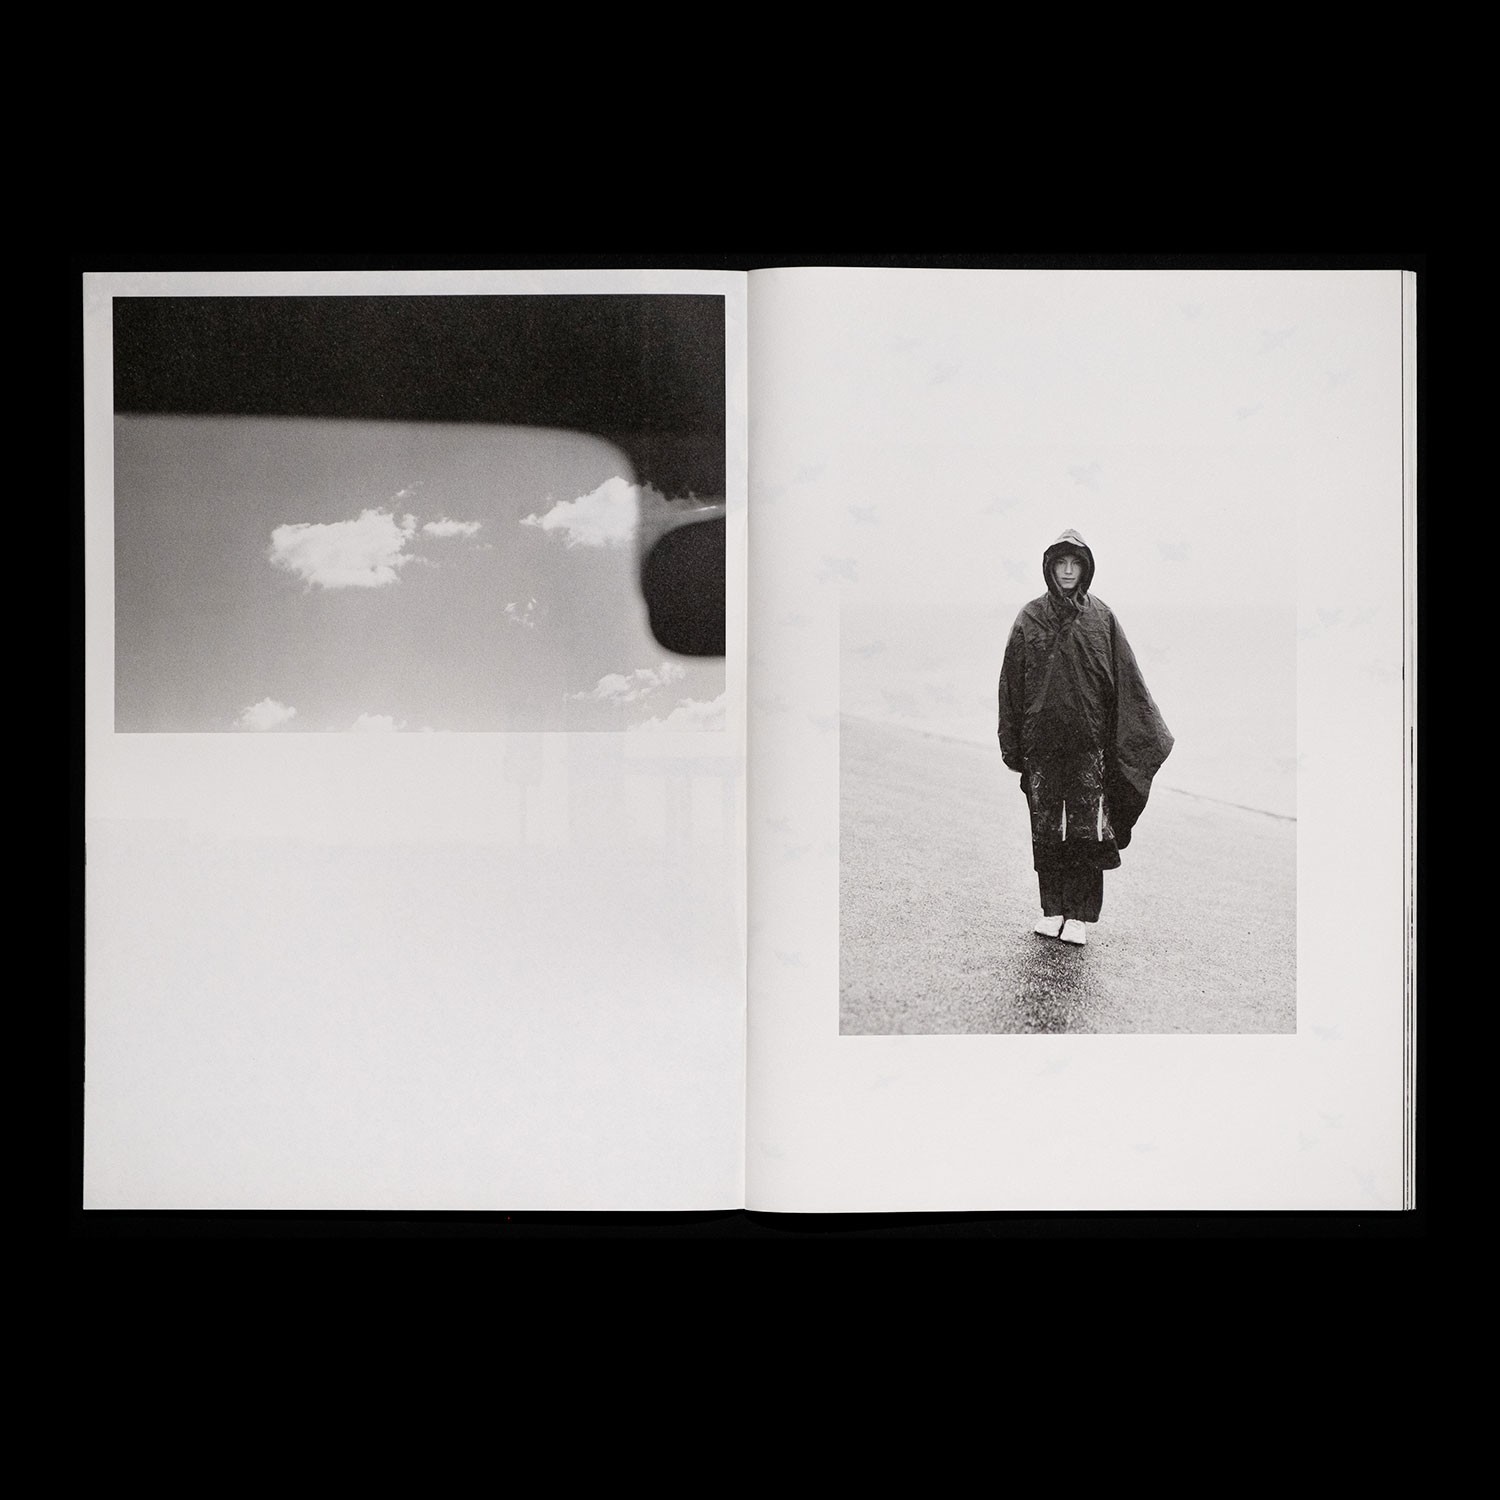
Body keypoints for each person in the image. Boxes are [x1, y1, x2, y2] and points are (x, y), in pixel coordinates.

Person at [996, 530, 1174, 947]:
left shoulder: (1102, 619)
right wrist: (1012, 742)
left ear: (1086, 568)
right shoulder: (1029, 618)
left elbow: (1127, 685)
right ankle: (1053, 910)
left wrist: (1129, 745)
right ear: (1050, 567)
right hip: (1042, 745)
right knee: (1046, 831)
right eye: (1061, 563)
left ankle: (1080, 916)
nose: (1069, 570)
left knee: (1086, 833)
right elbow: (1010, 684)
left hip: (1087, 749)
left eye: (1075, 563)